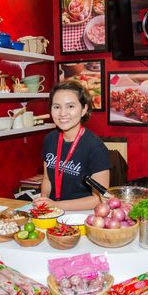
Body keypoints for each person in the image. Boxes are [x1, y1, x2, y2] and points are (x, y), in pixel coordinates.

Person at [33, 80, 110, 211]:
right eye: (56, 107)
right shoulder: (49, 139)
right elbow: (47, 179)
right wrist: (44, 201)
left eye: (70, 106)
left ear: (84, 109)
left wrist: (57, 205)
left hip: (81, 215)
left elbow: (99, 198)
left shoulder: (95, 147)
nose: (62, 113)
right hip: (52, 212)